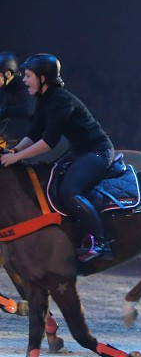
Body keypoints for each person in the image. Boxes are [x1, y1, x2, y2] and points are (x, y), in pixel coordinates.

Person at [0, 54, 116, 262]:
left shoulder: (61, 100)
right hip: (80, 151)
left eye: (28, 76)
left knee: (69, 191)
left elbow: (48, 142)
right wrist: (15, 151)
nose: (24, 80)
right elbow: (34, 133)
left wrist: (17, 159)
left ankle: (101, 242)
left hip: (97, 152)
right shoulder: (44, 99)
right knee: (51, 183)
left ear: (42, 77)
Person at [0, 51, 32, 148]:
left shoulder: (25, 87)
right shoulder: (8, 90)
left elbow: (28, 109)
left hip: (36, 142)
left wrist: (4, 112)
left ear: (8, 74)